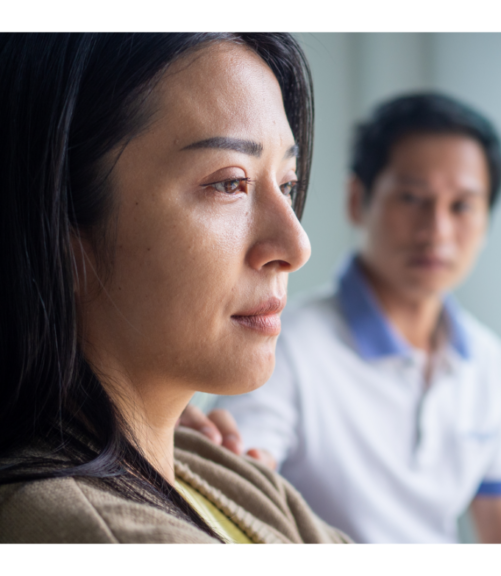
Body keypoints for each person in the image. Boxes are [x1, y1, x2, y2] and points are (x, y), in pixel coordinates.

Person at [0, 33, 349, 544]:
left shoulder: (216, 469)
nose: (295, 246)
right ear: (58, 230)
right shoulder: (97, 535)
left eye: (288, 184)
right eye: (230, 183)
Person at [211, 93, 501, 543]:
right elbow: (232, 487)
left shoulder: (486, 359)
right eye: (411, 198)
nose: (437, 230)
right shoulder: (284, 342)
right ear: (356, 199)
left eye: (462, 206)